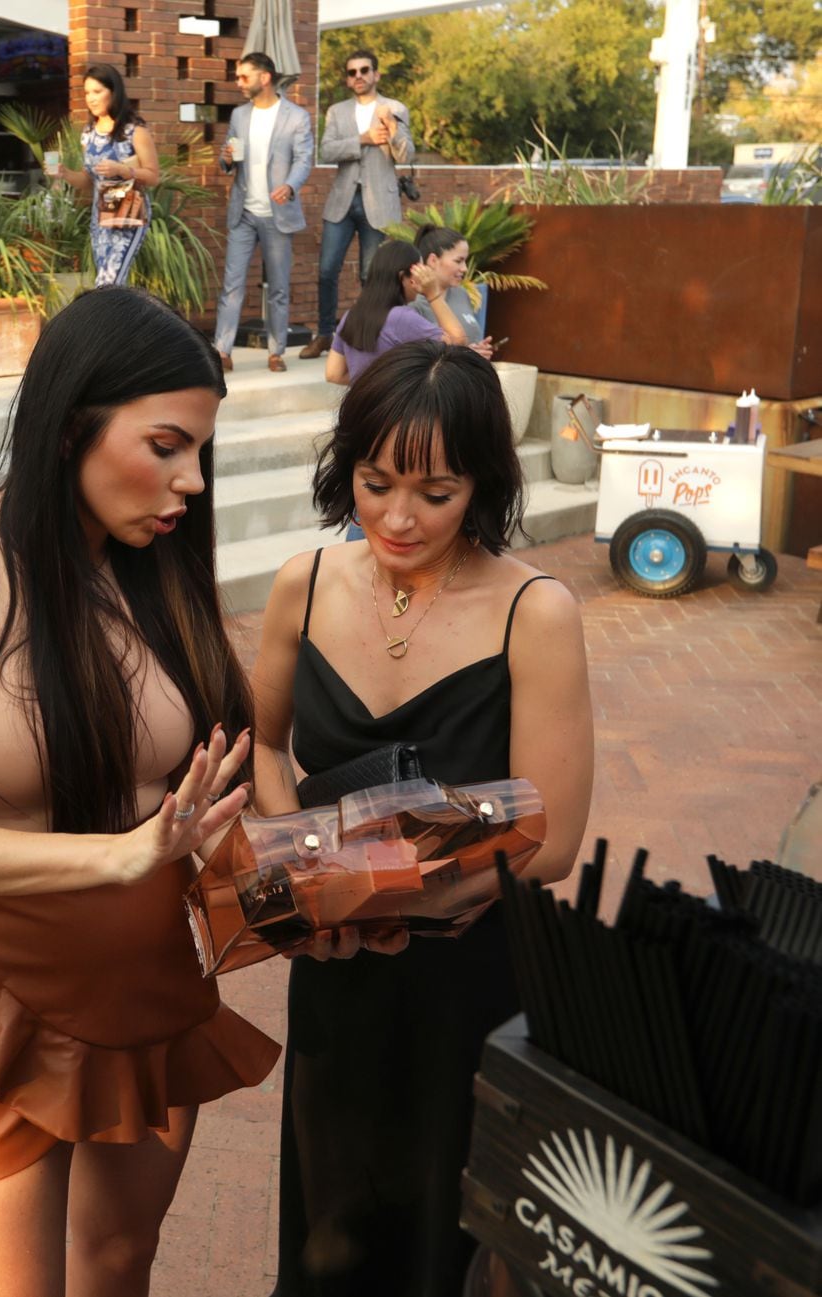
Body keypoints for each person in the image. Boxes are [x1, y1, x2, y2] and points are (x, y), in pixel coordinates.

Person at [0, 287, 281, 1296]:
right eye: (166, 445)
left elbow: (205, 803)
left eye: (201, 452)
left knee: (120, 1261)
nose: (190, 481)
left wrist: (315, 888)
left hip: (147, 977)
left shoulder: (158, 568)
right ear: (70, 423)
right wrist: (122, 854)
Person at [249, 340, 593, 1296]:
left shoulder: (536, 610)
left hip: (466, 974)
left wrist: (408, 890)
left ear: (480, 484)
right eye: (374, 482)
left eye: (434, 493)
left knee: (451, 1234)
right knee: (329, 1223)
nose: (398, 516)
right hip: (336, 964)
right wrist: (305, 866)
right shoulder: (303, 583)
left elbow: (553, 837)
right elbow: (263, 745)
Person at [302, 49, 415, 360]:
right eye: (352, 72)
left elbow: (406, 155)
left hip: (378, 204)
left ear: (376, 74)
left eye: (365, 70)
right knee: (326, 271)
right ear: (348, 79)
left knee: (371, 276)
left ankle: (368, 339)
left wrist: (391, 129)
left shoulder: (394, 108)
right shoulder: (337, 112)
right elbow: (326, 151)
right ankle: (325, 334)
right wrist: (363, 139)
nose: (359, 76)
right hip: (342, 201)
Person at [213, 52, 313, 373]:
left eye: (244, 76)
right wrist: (226, 157)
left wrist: (291, 185)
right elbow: (227, 159)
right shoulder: (240, 115)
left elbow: (303, 159)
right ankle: (222, 351)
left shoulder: (296, 117)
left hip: (277, 212)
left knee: (279, 286)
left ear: (264, 78)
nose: (238, 82)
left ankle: (276, 351)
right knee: (232, 283)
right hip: (243, 212)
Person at [55, 64, 160, 287]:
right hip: (100, 215)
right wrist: (65, 173)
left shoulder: (135, 131)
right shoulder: (88, 134)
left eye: (97, 91)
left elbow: (153, 176)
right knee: (104, 280)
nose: (90, 98)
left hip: (127, 211)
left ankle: (109, 321)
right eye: (86, 93)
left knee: (111, 282)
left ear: (113, 92)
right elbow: (88, 180)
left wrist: (123, 170)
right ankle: (119, 321)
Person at [325, 239, 464, 386]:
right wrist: (433, 294)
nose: (421, 280)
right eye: (419, 272)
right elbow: (458, 341)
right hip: (397, 407)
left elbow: (333, 374)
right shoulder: (401, 318)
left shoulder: (351, 315)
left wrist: (370, 383)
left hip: (364, 405)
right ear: (402, 277)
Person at [410, 225, 495, 356]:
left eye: (465, 261)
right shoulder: (412, 301)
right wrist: (466, 354)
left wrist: (478, 351)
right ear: (433, 260)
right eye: (458, 261)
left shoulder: (461, 294)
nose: (465, 268)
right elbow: (415, 355)